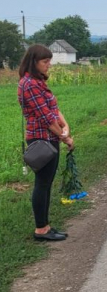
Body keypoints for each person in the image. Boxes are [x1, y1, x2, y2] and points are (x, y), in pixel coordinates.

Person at [18, 44, 74, 241]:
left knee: (46, 183)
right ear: (34, 62)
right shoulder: (29, 84)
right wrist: (65, 136)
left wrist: (65, 126)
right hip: (42, 139)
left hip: (50, 137)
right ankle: (41, 229)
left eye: (49, 60)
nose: (49, 64)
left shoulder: (37, 82)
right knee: (42, 184)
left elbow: (53, 110)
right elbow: (46, 118)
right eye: (45, 61)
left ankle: (45, 225)